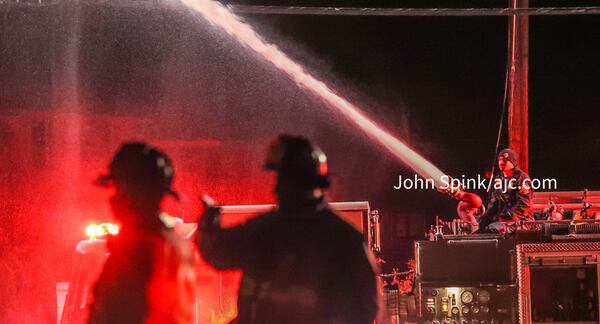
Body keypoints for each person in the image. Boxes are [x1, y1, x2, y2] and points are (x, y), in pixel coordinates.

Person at [197, 134, 378, 324]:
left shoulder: (342, 240)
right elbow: (221, 254)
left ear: (305, 182)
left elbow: (362, 311)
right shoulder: (265, 228)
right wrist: (210, 228)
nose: (277, 187)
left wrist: (209, 230)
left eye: (284, 178)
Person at [88, 143, 197, 324]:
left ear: (135, 193)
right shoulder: (177, 244)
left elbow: (116, 314)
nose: (113, 199)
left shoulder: (136, 250)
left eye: (119, 189)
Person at [478, 148, 533, 233]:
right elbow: (494, 203)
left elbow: (523, 205)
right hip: (503, 220)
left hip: (521, 221)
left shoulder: (521, 178)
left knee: (493, 229)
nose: (501, 162)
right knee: (480, 230)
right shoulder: (499, 178)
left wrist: (509, 215)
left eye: (505, 160)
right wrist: (485, 218)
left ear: (513, 162)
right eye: (500, 159)